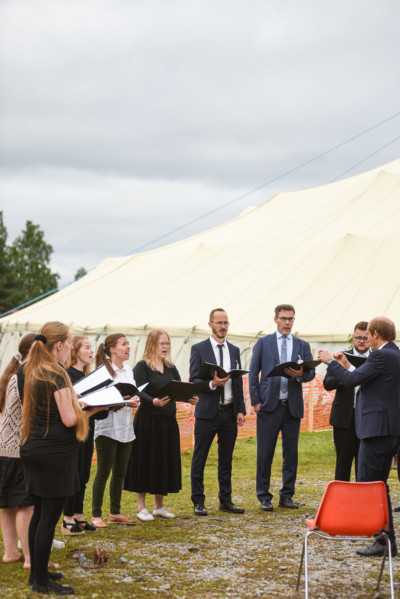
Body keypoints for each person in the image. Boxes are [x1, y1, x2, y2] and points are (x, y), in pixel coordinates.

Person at [318, 316, 400, 557]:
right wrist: (346, 364)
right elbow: (363, 376)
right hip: (389, 429)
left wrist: (330, 362)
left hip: (376, 430)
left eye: (369, 335)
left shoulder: (380, 355)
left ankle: (382, 539)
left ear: (375, 334)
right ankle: (386, 540)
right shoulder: (394, 354)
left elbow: (352, 380)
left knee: (369, 485)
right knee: (379, 486)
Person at [20, 322, 89, 595]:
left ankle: (36, 573)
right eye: (70, 342)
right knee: (48, 518)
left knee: (39, 514)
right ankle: (40, 582)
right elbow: (69, 419)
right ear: (59, 345)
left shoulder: (32, 369)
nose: (71, 347)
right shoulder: (56, 372)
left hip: (35, 447)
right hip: (54, 452)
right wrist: (90, 409)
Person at [124, 330, 198, 521]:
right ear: (152, 345)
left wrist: (189, 398)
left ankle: (159, 506)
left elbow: (178, 388)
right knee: (145, 461)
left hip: (168, 422)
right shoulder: (142, 367)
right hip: (148, 421)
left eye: (167, 343)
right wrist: (153, 401)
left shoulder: (170, 367)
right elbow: (137, 391)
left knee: (164, 461)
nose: (165, 347)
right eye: (162, 344)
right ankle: (141, 507)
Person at [249, 304, 315, 511]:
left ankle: (287, 495)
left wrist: (301, 375)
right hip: (269, 406)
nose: (287, 322)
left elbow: (310, 373)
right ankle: (264, 496)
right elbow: (253, 373)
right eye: (284, 318)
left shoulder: (302, 345)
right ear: (275, 319)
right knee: (265, 453)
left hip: (292, 407)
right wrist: (255, 401)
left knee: (291, 454)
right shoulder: (264, 343)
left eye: (290, 319)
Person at [189, 308, 246, 516]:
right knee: (200, 457)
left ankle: (226, 500)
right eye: (219, 323)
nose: (223, 327)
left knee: (226, 459)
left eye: (226, 323)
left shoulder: (234, 350)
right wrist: (212, 384)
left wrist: (240, 409)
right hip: (207, 412)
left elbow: (237, 382)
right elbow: (193, 379)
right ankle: (198, 500)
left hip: (229, 412)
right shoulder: (199, 349)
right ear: (210, 324)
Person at [91, 334, 140, 528]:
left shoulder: (128, 369)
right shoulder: (103, 371)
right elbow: (98, 401)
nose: (128, 347)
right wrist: (123, 402)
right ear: (112, 349)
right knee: (103, 471)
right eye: (124, 344)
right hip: (107, 428)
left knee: (120, 472)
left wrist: (135, 400)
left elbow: (132, 393)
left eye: (128, 343)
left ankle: (115, 513)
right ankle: (96, 515)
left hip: (126, 427)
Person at [62, 336, 108, 535]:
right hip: (72, 432)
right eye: (86, 347)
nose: (91, 351)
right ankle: (67, 518)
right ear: (75, 351)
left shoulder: (90, 376)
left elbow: (99, 413)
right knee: (72, 474)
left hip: (88, 430)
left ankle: (78, 515)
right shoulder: (67, 375)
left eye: (91, 348)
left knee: (83, 474)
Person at [0, 334, 36, 569]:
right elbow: (28, 413)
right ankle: (31, 558)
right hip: (17, 449)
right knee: (25, 504)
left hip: (4, 449)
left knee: (9, 504)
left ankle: (11, 552)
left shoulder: (9, 375)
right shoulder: (22, 378)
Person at [323, 321, 370, 481]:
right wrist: (343, 375)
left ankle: (361, 493)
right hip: (344, 417)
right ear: (353, 338)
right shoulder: (341, 356)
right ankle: (341, 494)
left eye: (365, 338)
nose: (361, 341)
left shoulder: (376, 358)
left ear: (371, 337)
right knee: (343, 461)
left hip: (367, 417)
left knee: (364, 463)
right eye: (358, 338)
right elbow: (327, 384)